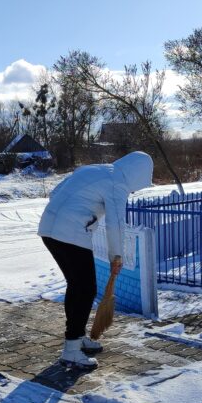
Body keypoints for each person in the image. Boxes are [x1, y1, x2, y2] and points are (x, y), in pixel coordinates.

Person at [38, 151, 153, 369]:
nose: (136, 189)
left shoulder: (95, 169)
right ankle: (71, 350)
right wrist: (116, 255)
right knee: (86, 290)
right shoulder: (116, 183)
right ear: (137, 173)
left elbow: (56, 192)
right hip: (70, 233)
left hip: (49, 229)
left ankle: (77, 336)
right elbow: (116, 223)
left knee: (77, 286)